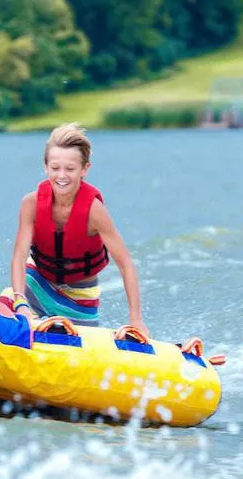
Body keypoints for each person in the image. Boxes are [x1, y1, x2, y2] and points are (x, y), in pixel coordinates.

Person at [10, 123, 148, 335]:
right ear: (46, 167)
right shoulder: (31, 203)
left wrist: (136, 320)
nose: (62, 176)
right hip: (38, 281)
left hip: (79, 296)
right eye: (55, 168)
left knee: (65, 336)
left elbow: (126, 264)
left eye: (70, 169)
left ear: (85, 169)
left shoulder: (94, 211)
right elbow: (19, 257)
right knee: (5, 305)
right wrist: (20, 302)